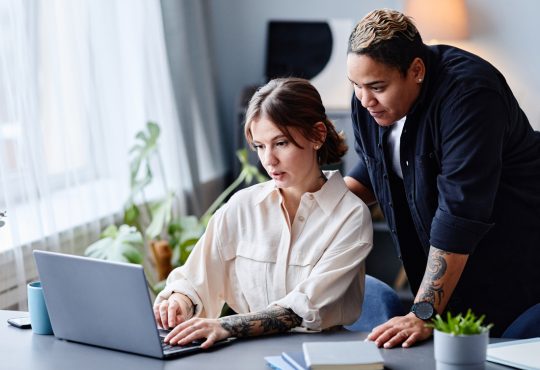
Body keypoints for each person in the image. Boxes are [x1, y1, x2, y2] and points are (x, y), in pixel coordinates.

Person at [345, 8, 540, 348]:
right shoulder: (369, 101)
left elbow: (459, 213)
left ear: (416, 70)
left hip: (515, 261)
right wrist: (307, 207)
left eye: (377, 86)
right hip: (454, 279)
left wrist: (422, 313)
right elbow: (374, 169)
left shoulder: (471, 94)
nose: (364, 100)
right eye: (356, 86)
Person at [153, 77, 373, 348]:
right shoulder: (242, 207)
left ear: (317, 135)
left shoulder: (350, 217)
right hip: (247, 354)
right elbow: (195, 278)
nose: (269, 160)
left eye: (281, 143)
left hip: (319, 357)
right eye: (259, 146)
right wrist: (179, 301)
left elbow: (300, 309)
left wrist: (226, 325)